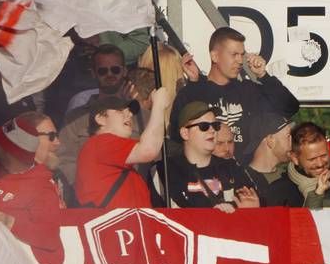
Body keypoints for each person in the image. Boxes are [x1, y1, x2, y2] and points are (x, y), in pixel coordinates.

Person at [72, 48, 176, 208]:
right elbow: (148, 150)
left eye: (129, 110)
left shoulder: (112, 154)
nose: (128, 114)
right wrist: (158, 107)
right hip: (115, 229)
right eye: (120, 111)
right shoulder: (100, 144)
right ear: (100, 118)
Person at [173, 25, 303, 143]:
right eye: (234, 54)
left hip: (241, 168)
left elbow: (290, 107)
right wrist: (194, 84)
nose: (240, 61)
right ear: (215, 56)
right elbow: (178, 136)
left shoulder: (247, 90)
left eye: (242, 55)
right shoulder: (194, 90)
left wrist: (264, 76)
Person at [163, 100, 263, 209]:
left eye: (215, 125)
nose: (212, 130)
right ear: (185, 133)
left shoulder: (231, 167)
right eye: (204, 126)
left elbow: (257, 201)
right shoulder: (166, 170)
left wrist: (250, 209)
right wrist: (218, 213)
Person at [241, 110, 303, 206]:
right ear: (270, 140)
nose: (293, 143)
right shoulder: (242, 181)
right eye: (288, 137)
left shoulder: (293, 174)